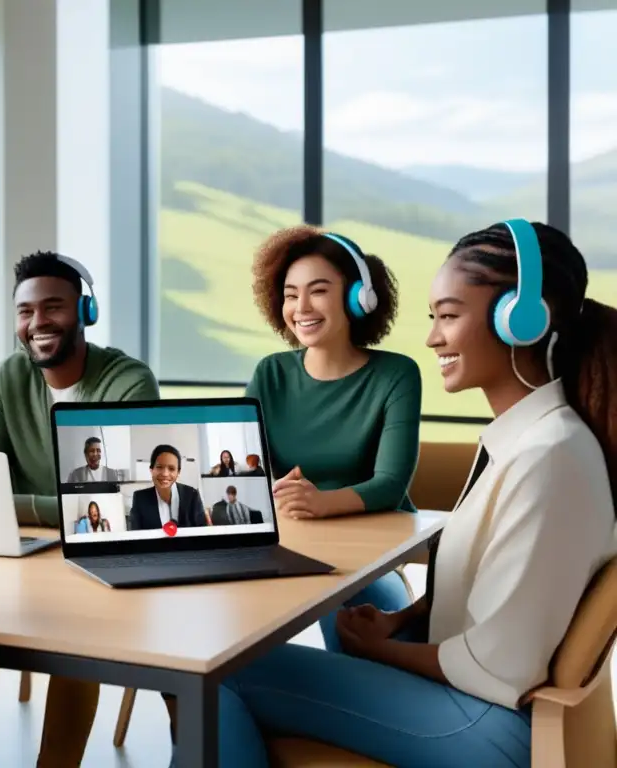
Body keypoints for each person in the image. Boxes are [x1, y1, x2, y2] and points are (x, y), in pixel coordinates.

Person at [190, 220, 617, 768]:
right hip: (482, 707)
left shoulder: (549, 457)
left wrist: (384, 650)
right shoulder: (532, 439)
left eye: (448, 316)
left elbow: (500, 663)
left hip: (485, 725)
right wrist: (400, 619)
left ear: (520, 319)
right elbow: (502, 595)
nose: (433, 337)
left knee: (218, 678)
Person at [0, 250, 159, 768]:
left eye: (53, 307)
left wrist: (12, 505)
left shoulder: (129, 382)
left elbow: (111, 505)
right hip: (32, 558)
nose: (38, 323)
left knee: (77, 631)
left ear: (85, 312)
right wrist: (53, 509)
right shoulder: (10, 377)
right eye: (25, 311)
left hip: (116, 558)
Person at [247, 225, 422, 651]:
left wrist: (321, 502)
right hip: (282, 547)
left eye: (318, 291)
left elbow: (389, 485)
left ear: (358, 297)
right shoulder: (271, 373)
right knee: (224, 633)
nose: (301, 307)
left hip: (363, 558)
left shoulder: (396, 374)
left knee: (357, 634)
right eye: (290, 294)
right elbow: (243, 472)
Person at [129, 445, 208, 530]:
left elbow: (202, 533)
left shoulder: (192, 495)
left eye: (171, 469)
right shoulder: (140, 498)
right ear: (151, 470)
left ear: (178, 472)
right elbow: (136, 535)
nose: (165, 474)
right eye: (159, 467)